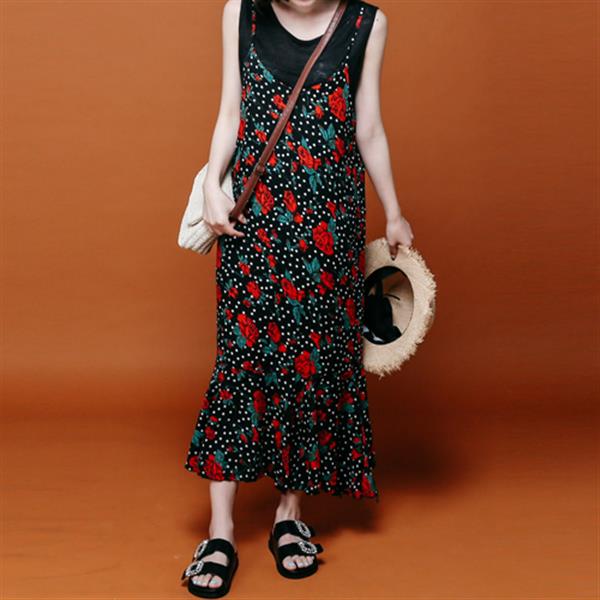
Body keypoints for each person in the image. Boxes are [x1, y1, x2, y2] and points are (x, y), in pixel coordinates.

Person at [181, 0, 414, 596]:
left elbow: (368, 127)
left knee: (311, 363)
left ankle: (290, 517)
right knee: (241, 360)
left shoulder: (366, 24)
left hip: (328, 228)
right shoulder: (240, 12)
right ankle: (220, 531)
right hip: (252, 224)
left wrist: (394, 212)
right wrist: (211, 188)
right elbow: (230, 112)